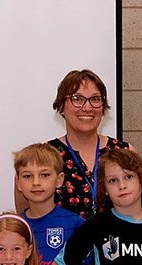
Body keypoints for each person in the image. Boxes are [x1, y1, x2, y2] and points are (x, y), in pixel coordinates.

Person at [15, 69, 132, 217]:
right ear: (61, 107)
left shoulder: (124, 152)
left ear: (103, 108)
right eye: (77, 99)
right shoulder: (40, 158)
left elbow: (139, 207)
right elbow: (27, 219)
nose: (87, 108)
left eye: (95, 99)